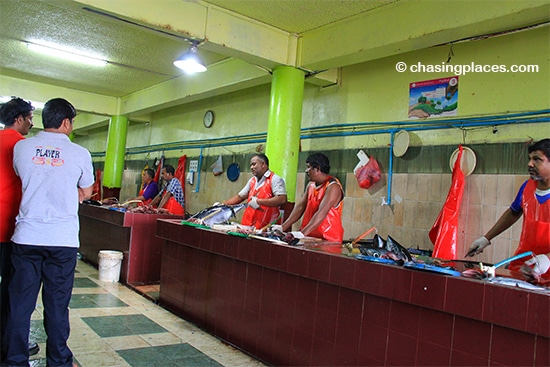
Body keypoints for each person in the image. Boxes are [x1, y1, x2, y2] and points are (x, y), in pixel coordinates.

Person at [1, 98, 94, 367]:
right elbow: (86, 191)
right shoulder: (79, 153)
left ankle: (15, 361)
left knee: (20, 304)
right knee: (56, 305)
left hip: (26, 238)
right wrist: (70, 191)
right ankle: (59, 361)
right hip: (62, 241)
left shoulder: (22, 147)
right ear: (66, 122)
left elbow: (24, 176)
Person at [466, 138, 550, 282]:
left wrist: (547, 259)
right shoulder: (527, 187)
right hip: (525, 266)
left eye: (537, 159)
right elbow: (513, 212)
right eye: (529, 159)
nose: (529, 164)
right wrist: (486, 238)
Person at [0, 97, 40, 357]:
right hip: (8, 228)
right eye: (29, 118)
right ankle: (8, 345)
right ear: (19, 119)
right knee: (12, 290)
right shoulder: (21, 147)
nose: (31, 123)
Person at [281, 153, 344, 242]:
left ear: (317, 169)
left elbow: (321, 212)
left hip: (328, 240)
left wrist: (302, 233)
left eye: (308, 167)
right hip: (309, 237)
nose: (306, 171)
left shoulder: (333, 186)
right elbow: (300, 208)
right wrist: (282, 227)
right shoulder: (310, 185)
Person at [223, 154, 287, 229]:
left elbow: (282, 199)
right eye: (251, 165)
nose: (251, 167)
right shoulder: (252, 181)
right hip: (247, 227)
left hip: (265, 229)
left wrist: (259, 202)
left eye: (254, 164)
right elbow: (240, 197)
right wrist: (222, 205)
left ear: (263, 164)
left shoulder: (275, 179)